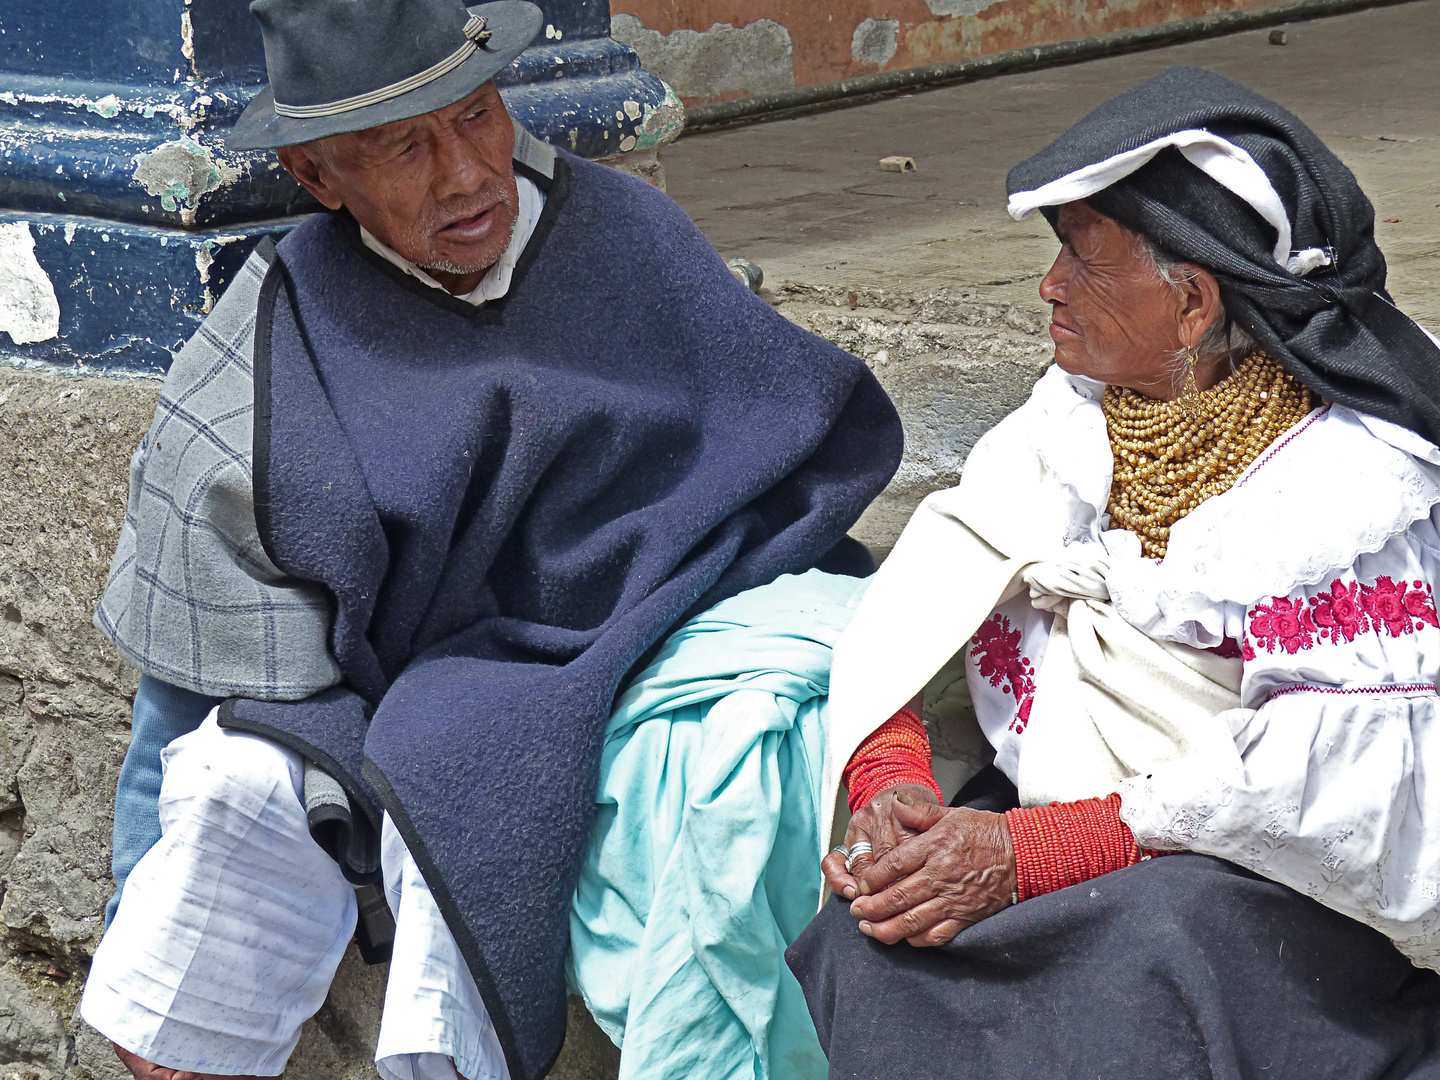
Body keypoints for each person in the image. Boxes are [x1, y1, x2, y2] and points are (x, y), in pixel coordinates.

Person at [79, 0, 903, 1077]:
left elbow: (775, 463)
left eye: (476, 117)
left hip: (658, 632)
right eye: (404, 148)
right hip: (383, 696)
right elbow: (182, 701)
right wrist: (138, 894)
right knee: (234, 790)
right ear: (322, 180)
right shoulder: (268, 359)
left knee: (567, 763)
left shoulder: (625, 235)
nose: (466, 174)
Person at [786, 66, 1440, 1079]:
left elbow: (1336, 788)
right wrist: (894, 782)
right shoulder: (1070, 419)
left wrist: (1028, 856)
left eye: (1082, 260)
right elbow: (928, 599)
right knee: (874, 941)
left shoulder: (1351, 488)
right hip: (1076, 821)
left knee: (1134, 964)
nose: (1049, 286)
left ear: (1191, 303)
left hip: (1270, 883)